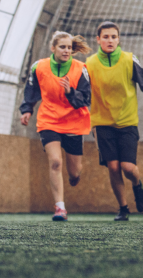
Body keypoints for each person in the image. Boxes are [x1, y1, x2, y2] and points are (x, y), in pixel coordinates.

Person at [86, 21, 143, 221]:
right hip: (102, 123)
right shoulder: (90, 64)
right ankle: (123, 208)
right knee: (113, 167)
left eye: (113, 37)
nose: (110, 40)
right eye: (106, 37)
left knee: (128, 167)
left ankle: (137, 185)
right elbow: (83, 94)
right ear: (98, 39)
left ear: (118, 39)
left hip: (127, 122)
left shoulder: (129, 60)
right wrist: (87, 121)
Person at [20, 31, 92, 221]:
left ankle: (73, 177)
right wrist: (27, 109)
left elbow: (86, 99)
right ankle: (60, 208)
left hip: (74, 121)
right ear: (53, 48)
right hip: (49, 120)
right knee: (55, 162)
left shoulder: (81, 68)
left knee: (74, 172)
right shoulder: (39, 67)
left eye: (69, 47)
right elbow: (31, 89)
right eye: (62, 47)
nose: (66, 50)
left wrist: (70, 92)